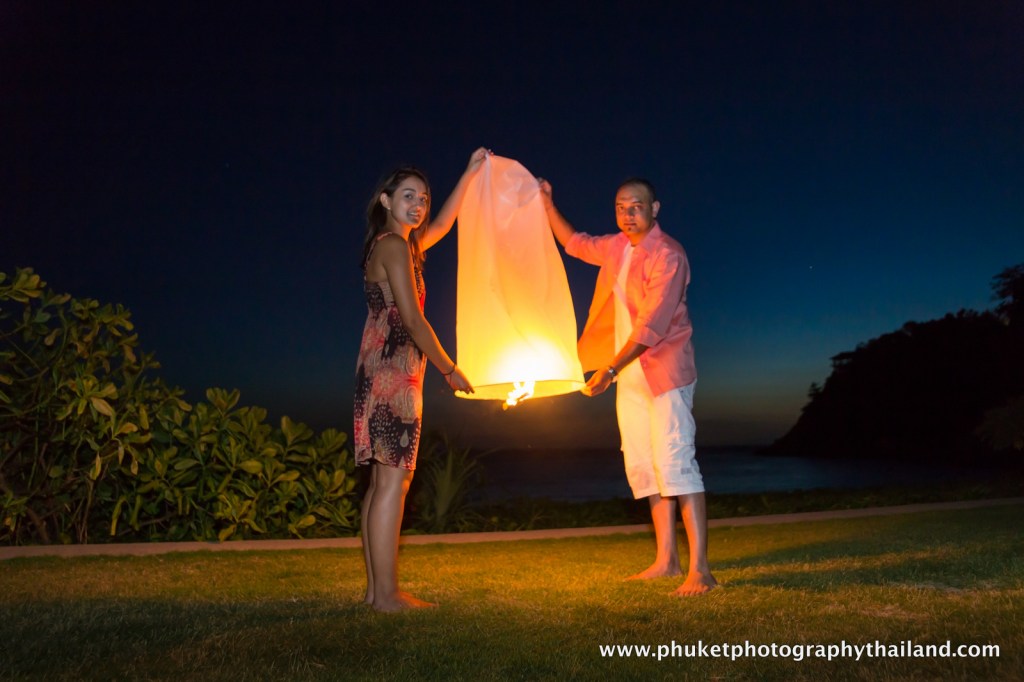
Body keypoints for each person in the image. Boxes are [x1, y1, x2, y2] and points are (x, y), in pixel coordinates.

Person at [539, 176, 718, 597]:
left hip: (665, 372)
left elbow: (652, 324)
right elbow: (576, 243)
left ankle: (701, 570)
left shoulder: (669, 254)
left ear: (655, 208)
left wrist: (610, 369)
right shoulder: (617, 248)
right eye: (621, 207)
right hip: (628, 376)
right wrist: (547, 203)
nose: (628, 214)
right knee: (643, 464)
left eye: (636, 206)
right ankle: (666, 561)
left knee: (677, 461)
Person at [355, 148, 487, 612]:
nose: (418, 204)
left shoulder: (396, 245)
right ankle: (387, 596)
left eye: (424, 198)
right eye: (408, 196)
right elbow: (412, 320)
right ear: (386, 200)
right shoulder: (393, 246)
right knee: (394, 482)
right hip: (394, 374)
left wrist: (468, 173)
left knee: (383, 483)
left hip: (381, 370)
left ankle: (376, 593)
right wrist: (450, 369)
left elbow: (444, 223)